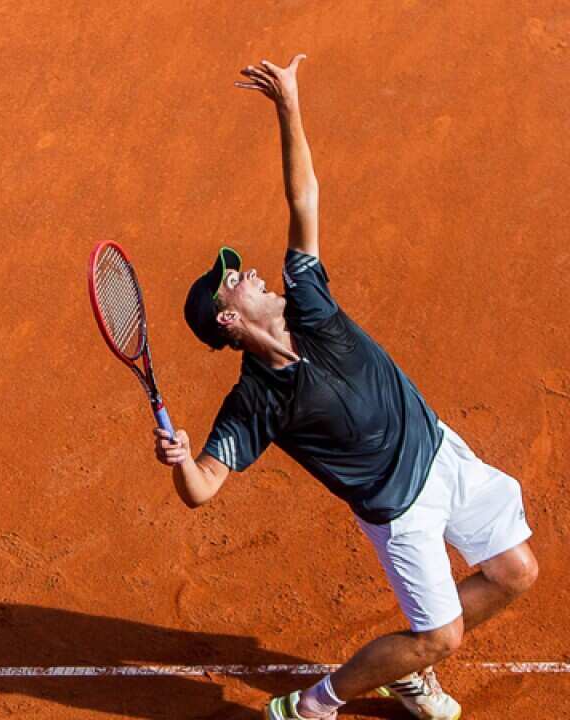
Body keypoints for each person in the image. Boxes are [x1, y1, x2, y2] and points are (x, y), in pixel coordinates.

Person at [154, 54, 539, 720]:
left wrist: (289, 105)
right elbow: (201, 490)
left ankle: (413, 673)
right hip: (399, 509)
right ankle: (314, 704)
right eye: (235, 278)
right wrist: (181, 457)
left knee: (515, 573)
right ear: (228, 319)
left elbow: (304, 197)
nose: (249, 272)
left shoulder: (308, 299)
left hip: (442, 453)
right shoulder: (255, 402)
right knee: (438, 635)